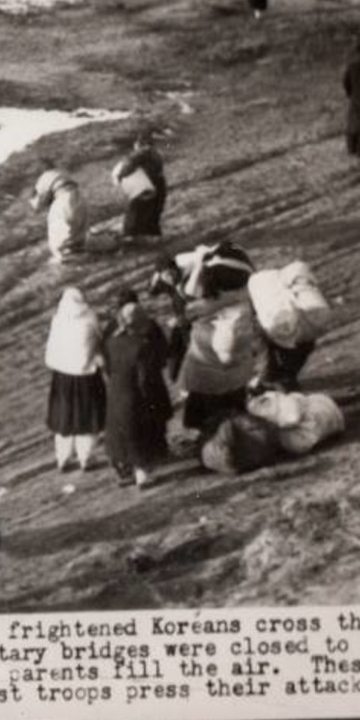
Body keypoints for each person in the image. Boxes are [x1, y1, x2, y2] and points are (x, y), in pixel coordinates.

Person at [173, 246, 259, 436]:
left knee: (204, 414)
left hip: (205, 370)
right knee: (231, 409)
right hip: (234, 370)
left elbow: (187, 293)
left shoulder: (200, 305)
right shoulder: (244, 300)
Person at [103, 293, 172, 489]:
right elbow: (145, 379)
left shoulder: (112, 342)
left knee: (119, 433)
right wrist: (150, 401)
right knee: (139, 434)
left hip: (115, 393)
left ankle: (124, 472)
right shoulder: (141, 346)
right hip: (135, 396)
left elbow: (107, 366)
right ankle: (143, 476)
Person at [44, 288, 107, 474]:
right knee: (87, 417)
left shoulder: (58, 319)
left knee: (64, 418)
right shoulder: (90, 318)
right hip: (86, 375)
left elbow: (52, 346)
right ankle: (85, 457)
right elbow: (99, 338)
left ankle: (62, 458)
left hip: (62, 376)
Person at [112, 132, 166, 241]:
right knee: (154, 210)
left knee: (136, 208)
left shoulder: (142, 152)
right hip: (159, 183)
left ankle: (131, 235)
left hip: (146, 184)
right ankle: (152, 234)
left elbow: (129, 163)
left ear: (139, 143)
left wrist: (120, 175)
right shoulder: (156, 153)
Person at [30, 168, 87, 263]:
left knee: (57, 229)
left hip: (64, 197)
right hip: (79, 196)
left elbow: (39, 203)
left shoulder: (42, 182)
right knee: (77, 227)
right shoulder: (56, 173)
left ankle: (64, 255)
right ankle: (77, 251)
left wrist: (36, 207)